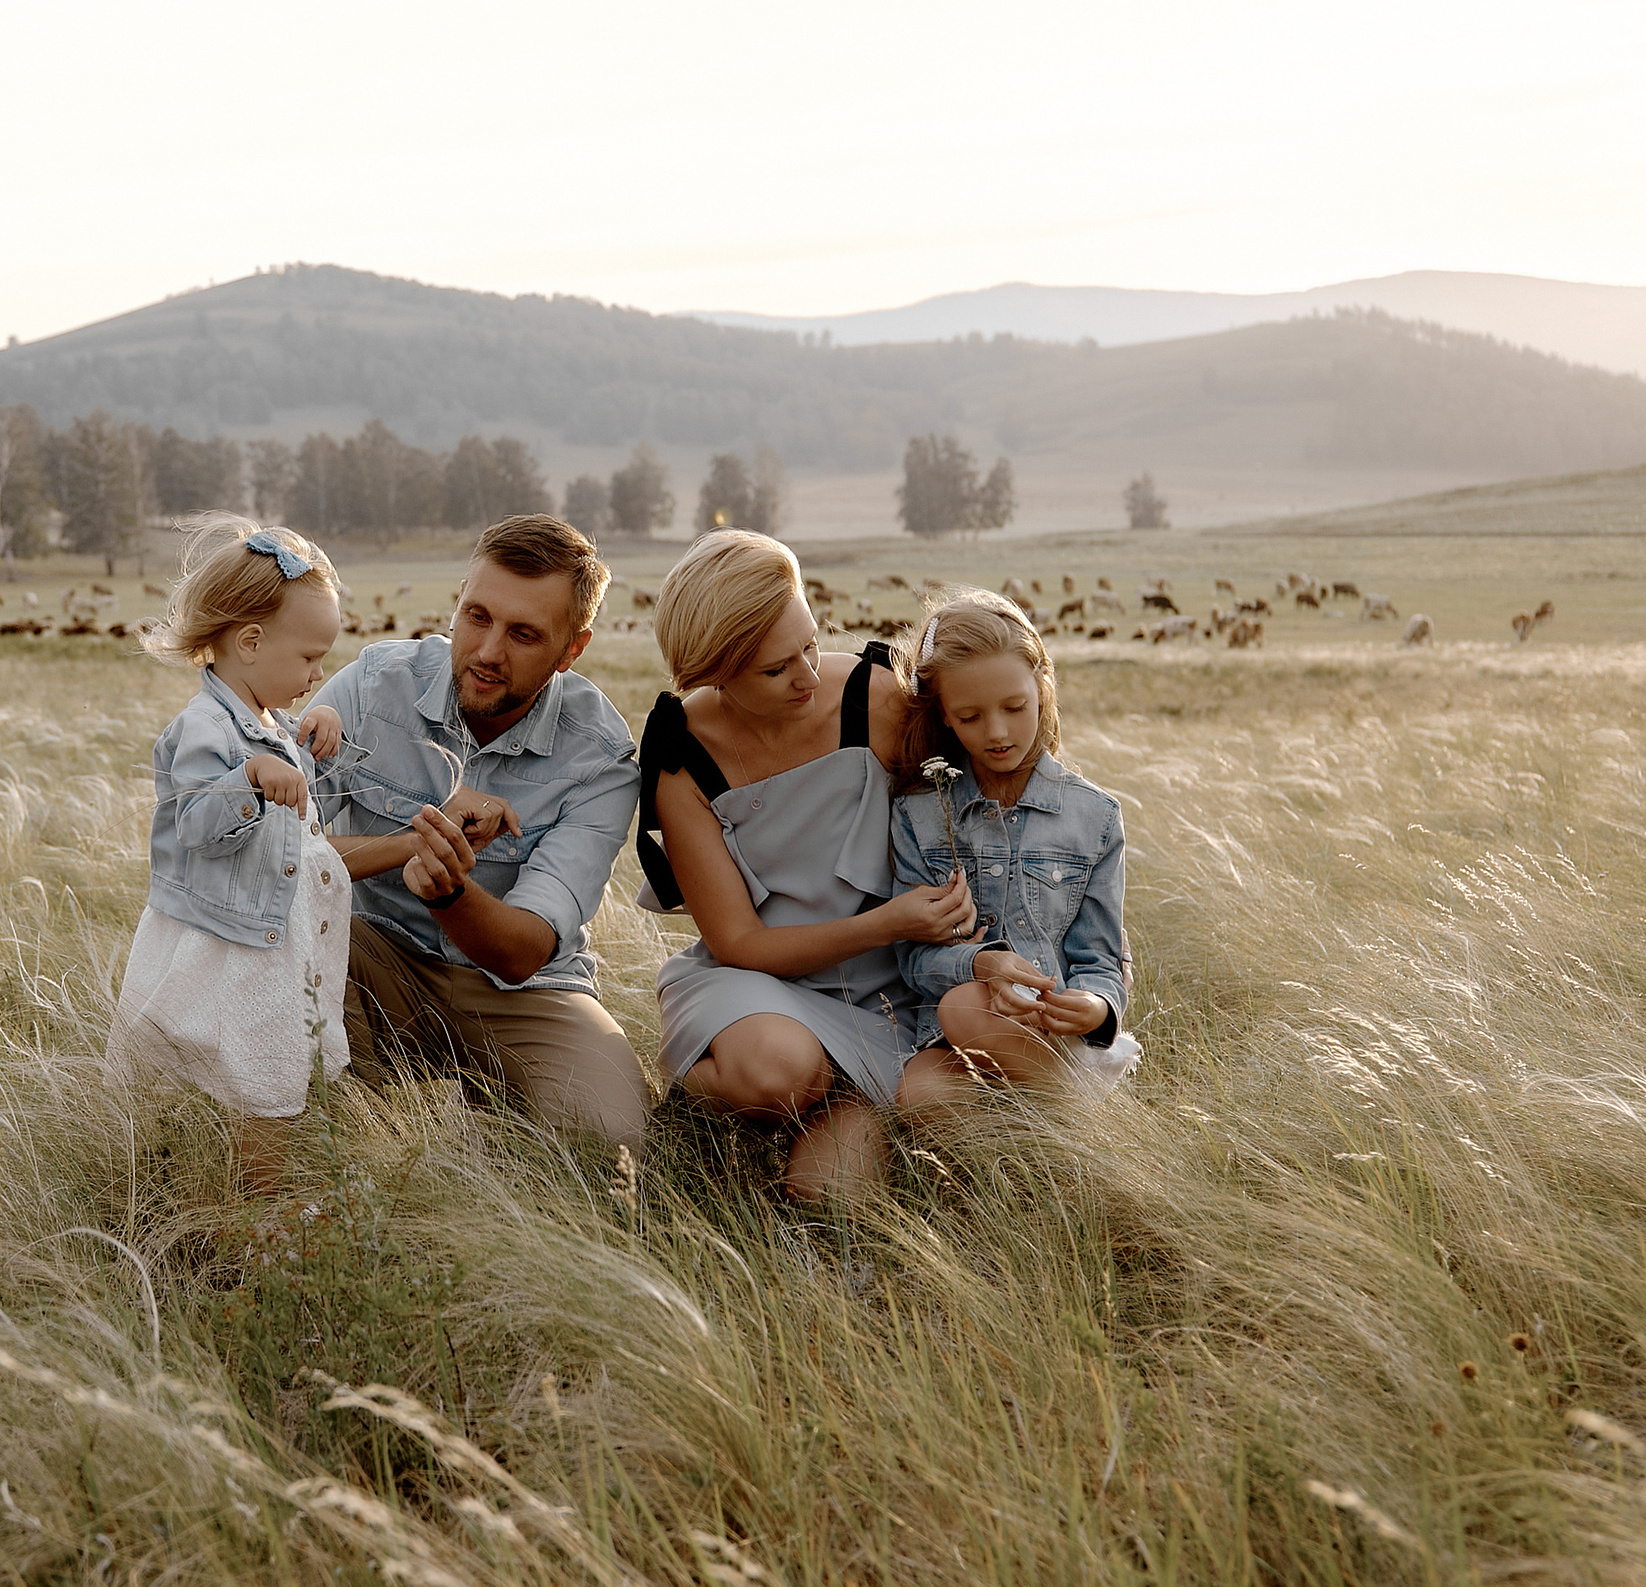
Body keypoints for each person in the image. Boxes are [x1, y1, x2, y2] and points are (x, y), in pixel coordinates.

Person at [637, 530, 976, 1199]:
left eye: (812, 644)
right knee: (776, 1074)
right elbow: (740, 941)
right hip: (756, 980)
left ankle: (834, 1104)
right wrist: (890, 921)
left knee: (831, 1204)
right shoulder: (682, 757)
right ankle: (688, 1094)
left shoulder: (876, 700)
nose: (809, 675)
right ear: (713, 671)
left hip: (887, 993)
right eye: (776, 668)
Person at [308, 514, 648, 1155]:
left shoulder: (600, 758)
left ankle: (485, 1121)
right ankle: (358, 1131)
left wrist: (447, 891)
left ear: (572, 650)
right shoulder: (373, 686)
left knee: (613, 1140)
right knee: (298, 932)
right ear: (458, 603)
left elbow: (523, 952)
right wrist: (413, 845)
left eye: (524, 634)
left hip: (520, 993)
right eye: (477, 617)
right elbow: (279, 853)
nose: (489, 652)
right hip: (372, 959)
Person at [103, 517, 362, 1189]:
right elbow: (194, 820)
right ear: (250, 642)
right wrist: (246, 780)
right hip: (229, 945)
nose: (318, 672)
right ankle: (254, 1203)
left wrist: (316, 733)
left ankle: (244, 1187)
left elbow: (297, 809)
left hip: (269, 938)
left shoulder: (268, 720)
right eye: (310, 658)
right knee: (259, 1078)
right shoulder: (203, 727)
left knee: (267, 1069)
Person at [887, 589, 1141, 1109]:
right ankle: (1035, 1159)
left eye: (1014, 707)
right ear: (944, 716)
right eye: (971, 716)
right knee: (920, 1096)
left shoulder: (1093, 817)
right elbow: (912, 958)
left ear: (1042, 688)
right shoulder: (918, 814)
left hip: (1052, 1030)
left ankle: (1087, 1123)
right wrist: (980, 966)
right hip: (952, 1036)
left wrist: (1095, 1006)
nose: (998, 732)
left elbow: (1100, 955)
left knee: (964, 1008)